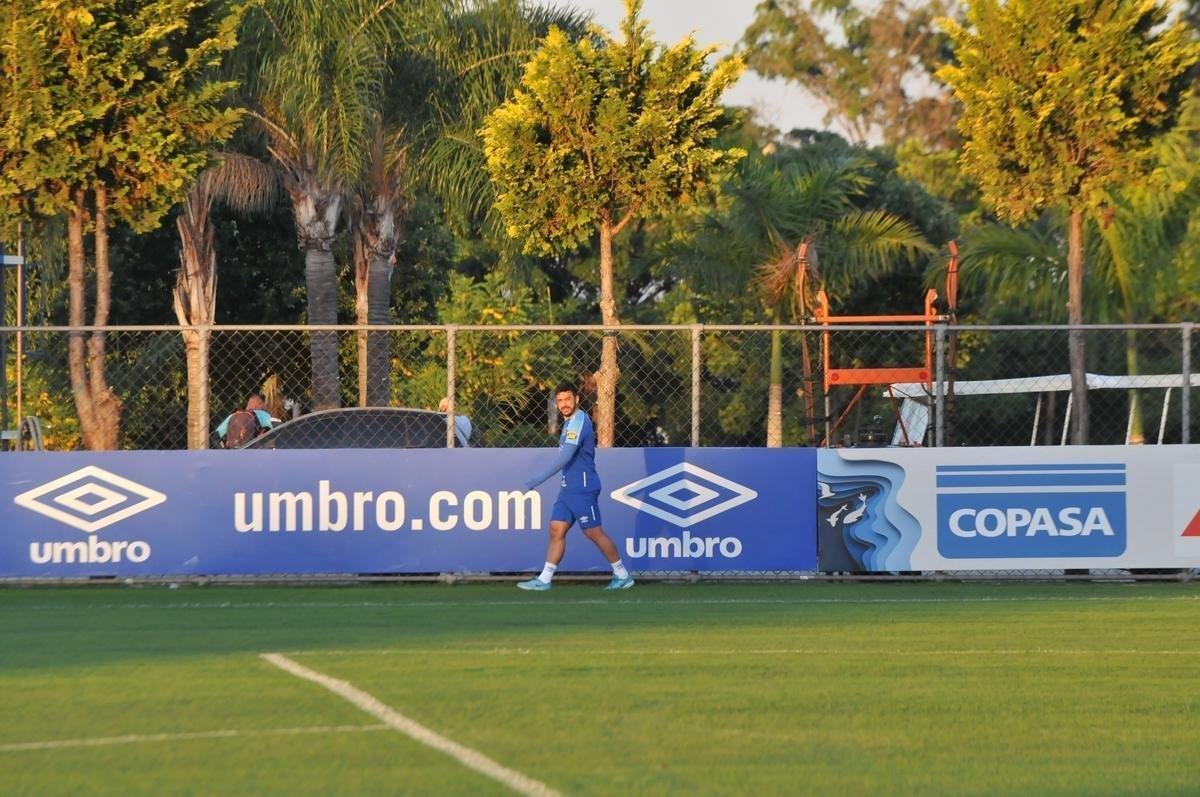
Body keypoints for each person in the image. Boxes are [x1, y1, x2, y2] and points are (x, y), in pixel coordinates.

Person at [517, 383, 633, 591]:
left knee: (593, 533)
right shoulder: (569, 423)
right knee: (556, 529)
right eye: (560, 401)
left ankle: (622, 574)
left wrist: (538, 479)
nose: (564, 404)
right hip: (568, 488)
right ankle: (544, 580)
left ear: (577, 399)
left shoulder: (579, 421)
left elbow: (566, 456)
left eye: (567, 399)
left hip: (582, 487)